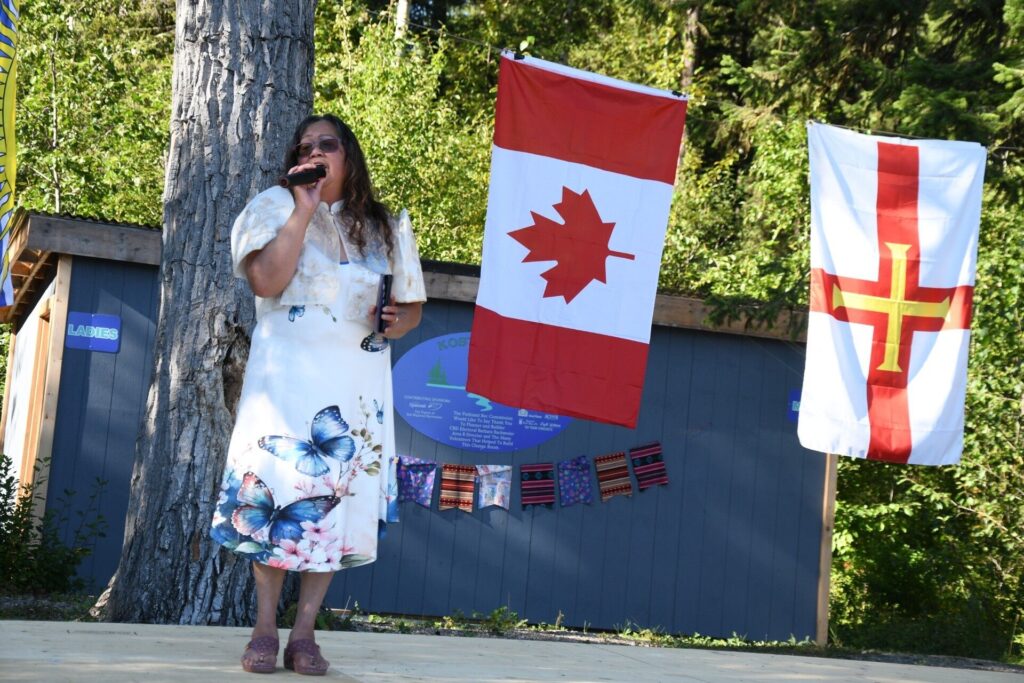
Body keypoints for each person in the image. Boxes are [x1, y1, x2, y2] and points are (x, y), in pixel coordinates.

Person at [210, 114, 426, 675]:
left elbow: (412, 309)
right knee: (278, 496)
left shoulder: (383, 226)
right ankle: (263, 628)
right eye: (305, 146)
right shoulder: (272, 207)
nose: (316, 151)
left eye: (327, 143)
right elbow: (266, 282)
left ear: (349, 155)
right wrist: (303, 210)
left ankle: (304, 633)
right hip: (285, 384)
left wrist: (396, 320)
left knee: (335, 502)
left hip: (355, 387)